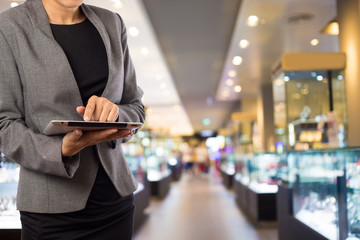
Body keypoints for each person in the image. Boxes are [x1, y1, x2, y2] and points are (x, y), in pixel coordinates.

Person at [0, 0, 145, 239]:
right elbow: (4, 124)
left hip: (115, 201)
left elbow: (136, 107)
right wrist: (60, 150)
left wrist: (116, 114)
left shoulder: (112, 23)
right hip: (51, 212)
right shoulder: (9, 27)